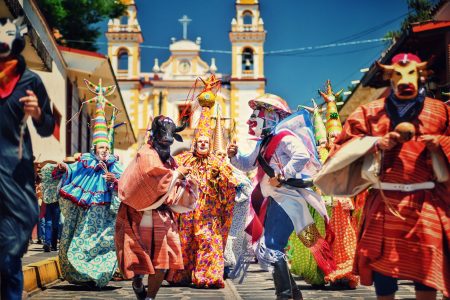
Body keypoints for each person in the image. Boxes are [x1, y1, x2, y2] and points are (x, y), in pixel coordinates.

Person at [315, 53, 450, 299]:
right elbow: (340, 148)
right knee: (381, 269)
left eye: (411, 73)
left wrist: (440, 143)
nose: (405, 80)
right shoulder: (369, 112)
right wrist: (376, 142)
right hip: (384, 202)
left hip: (426, 202)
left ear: (422, 75)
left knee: (426, 269)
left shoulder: (440, 111)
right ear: (389, 76)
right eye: (398, 74)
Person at [227, 94, 336, 300]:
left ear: (269, 116)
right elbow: (247, 164)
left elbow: (301, 155)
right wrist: (234, 155)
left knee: (272, 246)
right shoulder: (264, 143)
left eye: (256, 115)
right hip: (273, 199)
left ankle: (285, 296)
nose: (252, 119)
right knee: (269, 247)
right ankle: (293, 294)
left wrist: (282, 175)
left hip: (288, 198)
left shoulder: (284, 136)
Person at [0, 16, 55, 300]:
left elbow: (47, 126)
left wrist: (36, 113)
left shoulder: (31, 80)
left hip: (13, 174)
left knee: (8, 257)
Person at [115, 115, 198, 300]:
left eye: (168, 143)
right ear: (153, 137)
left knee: (162, 261)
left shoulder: (169, 160)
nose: (165, 147)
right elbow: (152, 176)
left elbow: (172, 180)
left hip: (161, 215)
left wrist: (183, 178)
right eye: (161, 141)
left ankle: (150, 297)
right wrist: (177, 174)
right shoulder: (146, 154)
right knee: (138, 258)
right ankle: (137, 281)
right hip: (136, 214)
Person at [53, 79, 123, 288]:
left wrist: (115, 180)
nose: (104, 151)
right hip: (88, 211)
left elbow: (127, 182)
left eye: (106, 148)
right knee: (85, 240)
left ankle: (101, 273)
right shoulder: (85, 162)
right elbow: (72, 171)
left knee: (106, 242)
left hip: (107, 212)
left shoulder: (114, 165)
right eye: (101, 148)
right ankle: (84, 272)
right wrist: (64, 168)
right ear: (94, 148)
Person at [171, 75, 237, 288]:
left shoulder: (218, 162)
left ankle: (207, 276)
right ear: (195, 143)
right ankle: (182, 274)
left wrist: (220, 179)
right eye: (199, 141)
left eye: (205, 141)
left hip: (209, 211)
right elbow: (168, 171)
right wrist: (181, 176)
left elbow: (231, 182)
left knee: (209, 240)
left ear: (210, 143)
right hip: (189, 211)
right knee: (186, 241)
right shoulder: (185, 159)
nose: (202, 143)